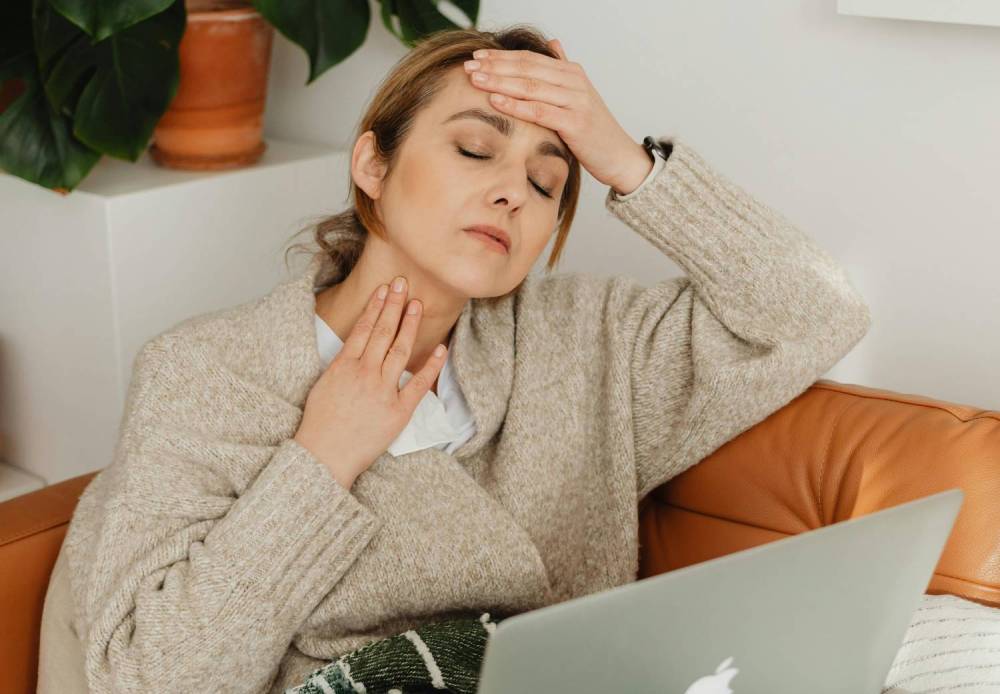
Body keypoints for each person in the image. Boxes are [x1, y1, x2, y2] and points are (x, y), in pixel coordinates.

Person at [42, 24, 871, 694]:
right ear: (374, 165)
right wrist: (322, 458)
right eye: (476, 151)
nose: (512, 190)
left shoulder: (591, 340)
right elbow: (149, 680)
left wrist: (622, 157)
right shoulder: (206, 375)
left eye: (547, 184)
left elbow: (814, 310)